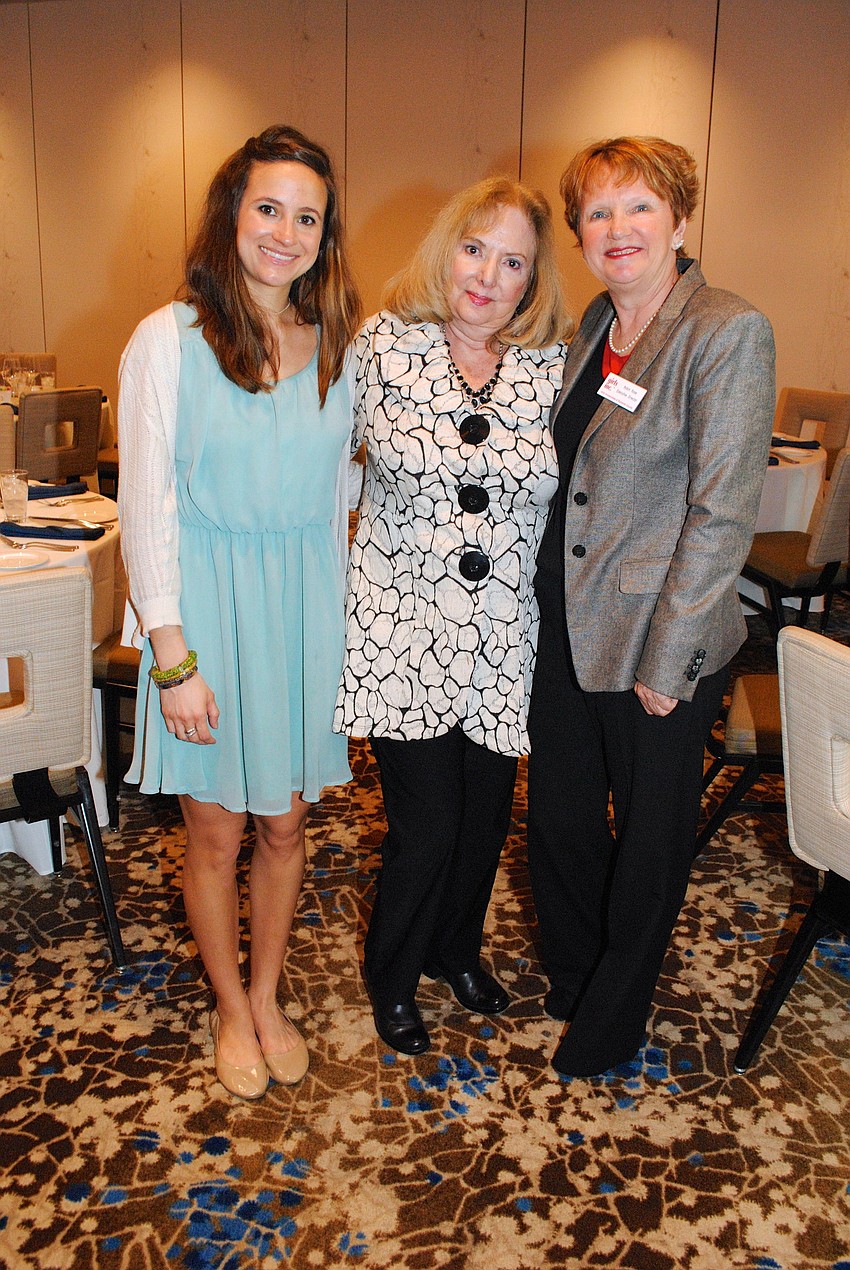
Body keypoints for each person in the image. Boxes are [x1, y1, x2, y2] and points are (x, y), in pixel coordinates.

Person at [118, 126, 361, 1099]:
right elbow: (144, 507)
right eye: (269, 207)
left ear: (322, 235)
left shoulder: (337, 344)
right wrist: (171, 657)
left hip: (299, 614)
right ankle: (228, 1004)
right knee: (216, 834)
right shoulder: (166, 340)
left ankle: (267, 994)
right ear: (232, 213)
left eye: (307, 216)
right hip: (208, 617)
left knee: (287, 829)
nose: (285, 231)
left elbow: (341, 491)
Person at [529, 136, 775, 1076]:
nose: (617, 228)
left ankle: (614, 1013)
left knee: (649, 836)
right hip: (563, 621)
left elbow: (722, 513)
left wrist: (671, 664)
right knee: (557, 815)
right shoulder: (594, 324)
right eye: (596, 213)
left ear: (679, 217)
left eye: (638, 207)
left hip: (655, 635)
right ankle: (575, 969)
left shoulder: (725, 329)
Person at [334, 177, 572, 1055]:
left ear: (532, 280)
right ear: (447, 250)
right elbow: (327, 467)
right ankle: (393, 976)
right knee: (426, 825)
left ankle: (454, 950)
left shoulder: (553, 368)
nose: (488, 275)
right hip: (403, 632)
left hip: (505, 634)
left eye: (513, 261)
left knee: (482, 821)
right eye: (475, 249)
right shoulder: (383, 347)